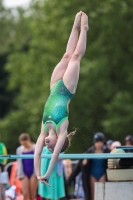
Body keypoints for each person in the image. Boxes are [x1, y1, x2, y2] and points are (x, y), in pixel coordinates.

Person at [34, 11, 89, 186]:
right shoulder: (62, 128)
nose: (49, 147)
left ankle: (75, 27)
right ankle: (85, 29)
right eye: (51, 147)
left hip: (54, 86)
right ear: (60, 141)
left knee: (66, 55)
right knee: (75, 57)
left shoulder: (43, 130)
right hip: (66, 89)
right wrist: (48, 174)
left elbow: (36, 154)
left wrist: (38, 174)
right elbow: (56, 156)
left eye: (48, 147)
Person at [66, 132, 110, 200]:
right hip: (92, 175)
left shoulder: (107, 151)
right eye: (97, 141)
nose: (99, 143)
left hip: (102, 174)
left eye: (101, 141)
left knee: (102, 194)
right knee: (92, 195)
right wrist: (84, 162)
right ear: (94, 142)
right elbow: (78, 167)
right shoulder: (89, 152)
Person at [16, 133, 38, 200]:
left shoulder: (35, 147)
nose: (24, 146)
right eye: (22, 144)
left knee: (32, 195)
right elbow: (19, 163)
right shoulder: (19, 149)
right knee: (25, 194)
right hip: (24, 172)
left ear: (29, 140)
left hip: (33, 172)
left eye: (25, 144)